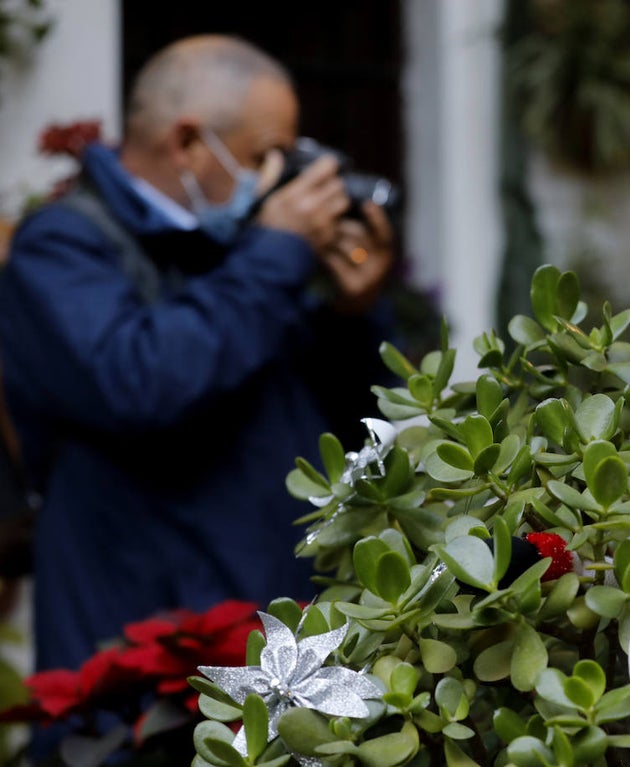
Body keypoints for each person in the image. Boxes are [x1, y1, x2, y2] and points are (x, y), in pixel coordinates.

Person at [0, 33, 405, 678]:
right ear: (188, 142)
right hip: (135, 657)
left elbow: (355, 427)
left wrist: (352, 315)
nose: (278, 181)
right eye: (265, 156)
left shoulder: (253, 252)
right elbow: (141, 382)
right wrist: (275, 253)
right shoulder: (62, 246)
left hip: (276, 634)